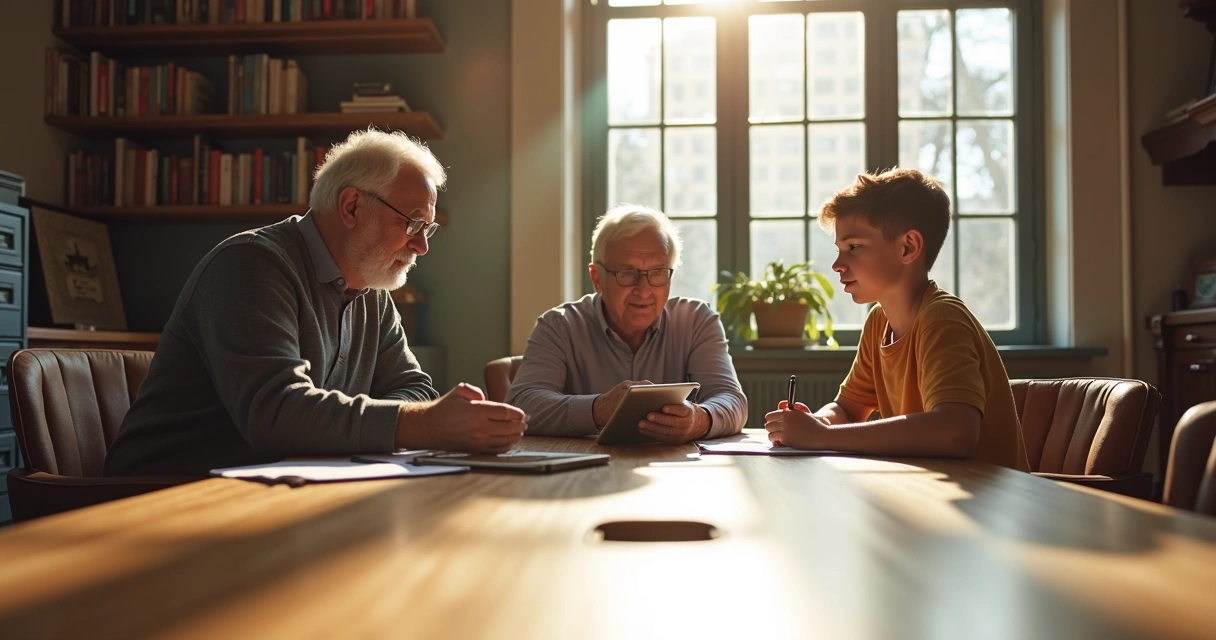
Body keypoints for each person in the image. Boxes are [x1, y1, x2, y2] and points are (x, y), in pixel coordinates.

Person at [105, 129, 526, 476]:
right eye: (413, 222)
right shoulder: (251, 265)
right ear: (351, 206)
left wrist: (421, 418)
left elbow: (413, 386)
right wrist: (425, 424)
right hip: (159, 500)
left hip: (272, 493)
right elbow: (276, 413)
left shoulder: (371, 289)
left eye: (427, 229)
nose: (421, 245)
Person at [764, 168, 1030, 471]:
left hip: (991, 508)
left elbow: (956, 432)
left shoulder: (941, 319)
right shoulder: (880, 321)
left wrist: (823, 436)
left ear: (908, 247)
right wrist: (818, 422)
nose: (837, 264)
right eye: (838, 250)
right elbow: (849, 409)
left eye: (853, 247)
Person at [506, 205, 746, 443]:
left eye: (658, 272)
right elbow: (522, 403)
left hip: (674, 471)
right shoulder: (559, 325)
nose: (644, 290)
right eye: (627, 273)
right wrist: (598, 408)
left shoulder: (696, 321)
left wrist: (698, 420)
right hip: (582, 472)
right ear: (597, 278)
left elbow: (731, 400)